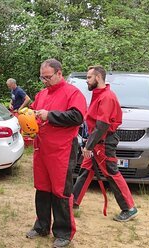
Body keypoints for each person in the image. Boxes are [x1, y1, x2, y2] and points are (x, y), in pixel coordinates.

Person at [25, 59, 87, 248]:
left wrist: (49, 115)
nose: (44, 81)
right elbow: (35, 114)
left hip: (62, 149)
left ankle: (64, 232)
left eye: (48, 77)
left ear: (59, 73)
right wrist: (28, 119)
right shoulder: (42, 94)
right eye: (42, 77)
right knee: (42, 187)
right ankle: (42, 226)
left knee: (61, 191)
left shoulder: (73, 93)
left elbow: (77, 117)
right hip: (42, 148)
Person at [71, 65, 138, 222]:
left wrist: (88, 146)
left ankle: (129, 208)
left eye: (89, 77)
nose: (87, 81)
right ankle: (72, 202)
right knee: (86, 170)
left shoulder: (106, 97)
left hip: (104, 142)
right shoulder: (98, 94)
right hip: (96, 141)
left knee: (111, 173)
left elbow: (102, 125)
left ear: (98, 78)